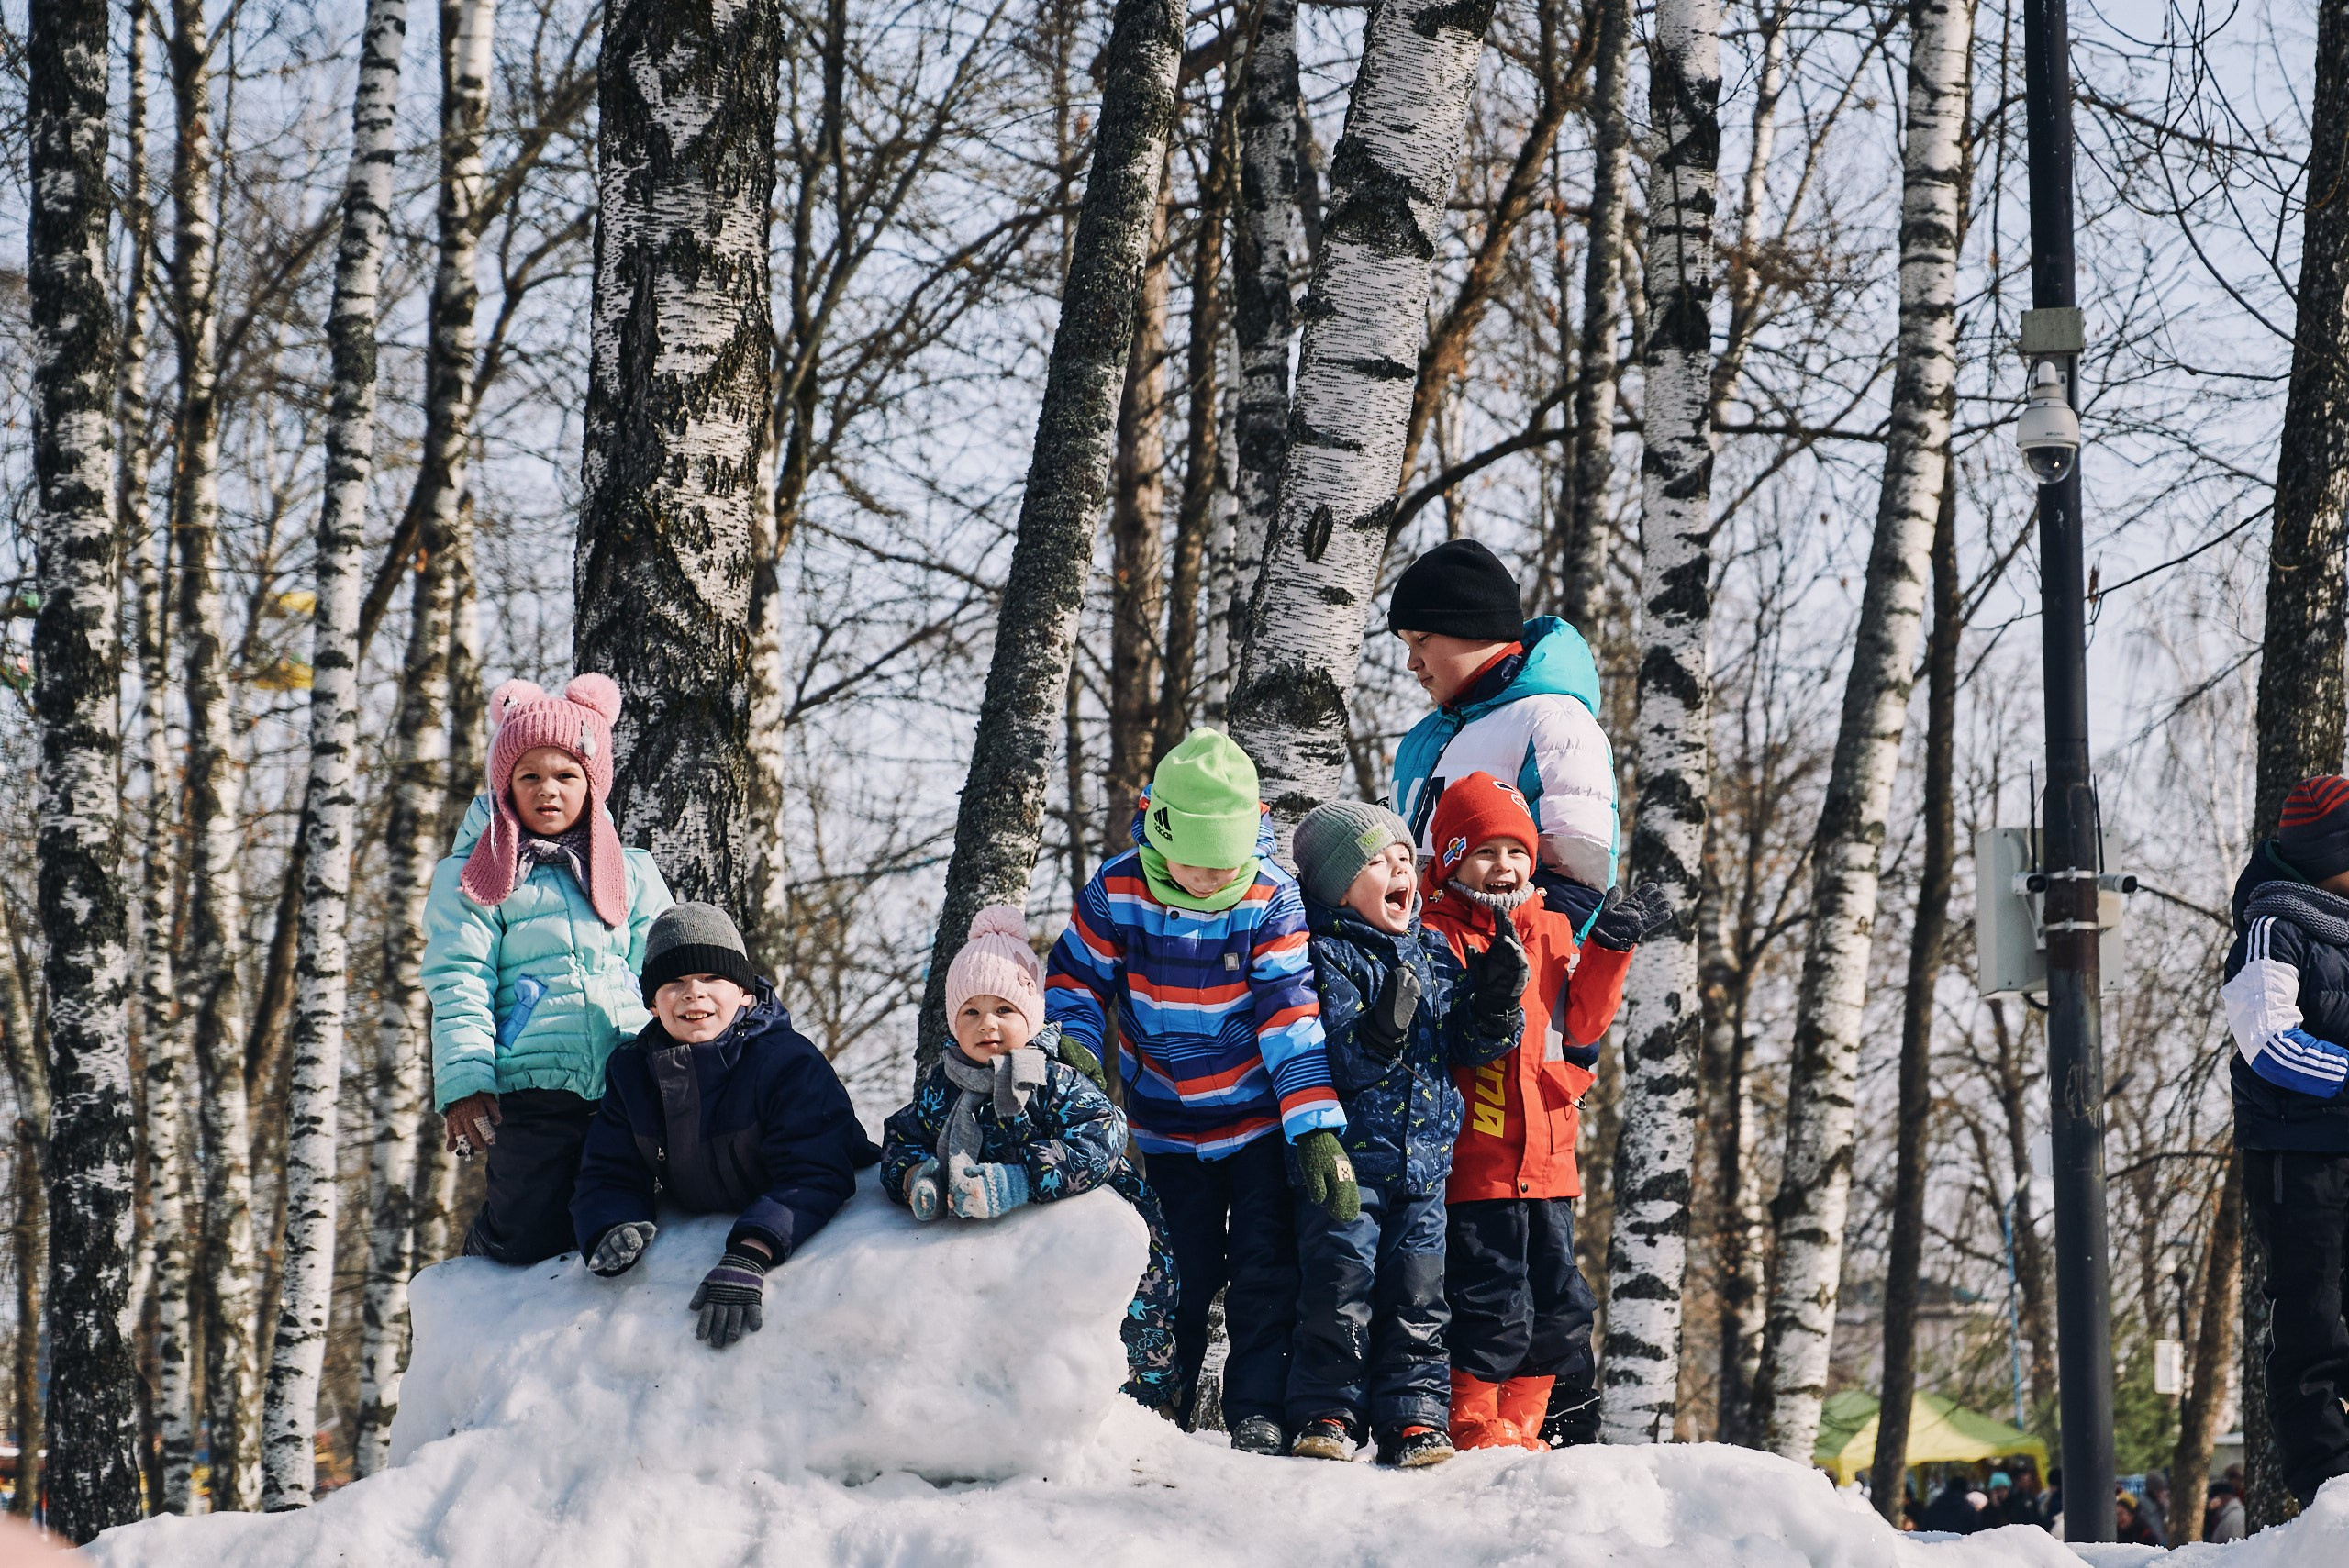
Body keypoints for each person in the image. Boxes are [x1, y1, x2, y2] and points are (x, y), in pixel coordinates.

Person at [1045, 728, 1352, 1454]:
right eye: (1195, 863)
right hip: (1167, 1123)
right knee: (1172, 1269)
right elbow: (1074, 978)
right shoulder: (1118, 889)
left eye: (1226, 864)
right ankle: (1156, 1406)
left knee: (1262, 1269)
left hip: (1254, 1124)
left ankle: (1257, 1410)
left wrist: (1312, 1127)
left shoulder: (1271, 898)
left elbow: (1289, 1013)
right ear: (1159, 827)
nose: (1211, 879)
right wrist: (1077, 1044)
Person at [1419, 773, 1667, 1449]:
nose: (1505, 868)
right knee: (1487, 1298)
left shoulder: (1551, 927)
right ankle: (1471, 1417)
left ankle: (1524, 1423)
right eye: (1485, 853)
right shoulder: (1439, 935)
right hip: (1479, 1160)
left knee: (1559, 1306)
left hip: (1552, 1161)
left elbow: (1582, 1018)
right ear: (1451, 858)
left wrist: (1612, 947)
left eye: (1516, 852)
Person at [1278, 801, 1524, 1468]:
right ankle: (1327, 1410)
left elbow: (1469, 1047)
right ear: (1335, 884)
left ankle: (1413, 1417)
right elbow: (1330, 1061)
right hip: (1346, 1166)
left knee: (1420, 1295)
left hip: (1424, 1169)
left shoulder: (1436, 950)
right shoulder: (1325, 955)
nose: (1399, 872)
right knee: (1338, 1286)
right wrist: (1379, 1029)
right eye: (1376, 862)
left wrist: (1497, 1000)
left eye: (1404, 861)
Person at [881, 905, 1181, 1410]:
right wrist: (917, 1175)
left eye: (1004, 1010)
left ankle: (1145, 1406)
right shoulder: (945, 1086)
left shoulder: (1051, 1077)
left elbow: (1104, 1134)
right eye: (971, 1012)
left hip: (1098, 1227)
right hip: (1009, 1244)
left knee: (1133, 1315)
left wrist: (1024, 1178)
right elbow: (900, 1137)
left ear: (1032, 1014)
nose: (987, 1025)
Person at [424, 674, 674, 1264]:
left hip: (627, 1073)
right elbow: (459, 981)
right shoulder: (473, 879)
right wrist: (467, 1082)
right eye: (529, 776)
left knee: (634, 1200)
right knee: (529, 1232)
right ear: (505, 785)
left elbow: (665, 966)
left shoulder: (631, 872)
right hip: (533, 1084)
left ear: (592, 783)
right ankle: (492, 1242)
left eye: (566, 775)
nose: (548, 791)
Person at [571, 903, 875, 1347]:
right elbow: (608, 1169)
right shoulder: (633, 1073)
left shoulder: (787, 1062)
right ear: (652, 1003)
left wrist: (752, 1251)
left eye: (713, 979)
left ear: (746, 993)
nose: (694, 993)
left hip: (801, 1212)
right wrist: (611, 1223)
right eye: (674, 982)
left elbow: (815, 1171)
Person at [2221, 773, 2349, 1506]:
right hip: (2299, 1160)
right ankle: (2329, 1499)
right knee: (2312, 1324)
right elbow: (2269, 1041)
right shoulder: (2273, 927)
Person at [1387, 539, 1619, 931]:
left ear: (1471, 627)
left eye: (1421, 640)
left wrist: (1508, 972)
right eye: (1407, 644)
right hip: (1426, 975)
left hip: (1502, 980)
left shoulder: (1554, 723)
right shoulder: (1422, 738)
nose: (1411, 662)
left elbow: (1576, 880)